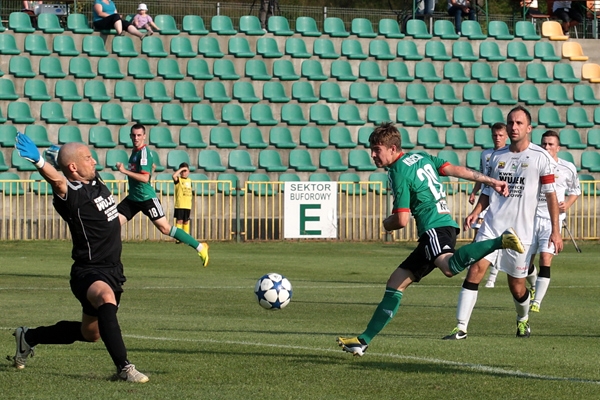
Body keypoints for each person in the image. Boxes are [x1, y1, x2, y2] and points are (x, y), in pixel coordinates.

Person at [336, 122, 525, 356]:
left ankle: (500, 241)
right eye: (372, 150)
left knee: (448, 266)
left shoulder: (397, 171)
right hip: (441, 226)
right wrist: (492, 181)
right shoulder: (421, 157)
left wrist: (386, 224)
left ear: (393, 149)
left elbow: (401, 220)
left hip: (434, 228)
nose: (373, 155)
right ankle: (362, 341)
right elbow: (456, 169)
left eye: (377, 149)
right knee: (395, 282)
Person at [12, 133, 148, 383]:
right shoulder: (71, 194)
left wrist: (140, 202)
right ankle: (125, 368)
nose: (94, 161)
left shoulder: (95, 181)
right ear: (74, 167)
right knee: (106, 299)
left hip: (113, 270)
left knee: (90, 333)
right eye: (88, 158)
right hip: (89, 271)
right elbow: (58, 181)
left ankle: (29, 336)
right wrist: (41, 162)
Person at [444, 106, 563, 341]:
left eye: (519, 123)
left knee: (517, 287)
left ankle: (522, 320)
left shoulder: (541, 158)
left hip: (521, 232)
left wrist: (555, 232)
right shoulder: (496, 157)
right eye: (511, 123)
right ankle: (460, 327)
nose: (514, 127)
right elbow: (488, 191)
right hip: (492, 225)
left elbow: (550, 196)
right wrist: (476, 211)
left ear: (529, 128)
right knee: (475, 269)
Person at [116, 124, 209, 266]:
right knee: (111, 224)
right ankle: (104, 259)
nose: (136, 138)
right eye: (133, 135)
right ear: (130, 136)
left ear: (144, 136)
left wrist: (124, 171)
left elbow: (145, 178)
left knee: (165, 228)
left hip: (147, 198)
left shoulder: (144, 152)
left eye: (139, 135)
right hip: (133, 198)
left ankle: (200, 247)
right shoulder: (135, 152)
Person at [529, 130, 581, 312]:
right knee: (524, 264)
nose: (547, 147)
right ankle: (535, 286)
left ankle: (536, 303)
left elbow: (576, 190)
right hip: (530, 219)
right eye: (544, 144)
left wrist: (567, 204)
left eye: (551, 144)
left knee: (545, 257)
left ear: (558, 148)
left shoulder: (568, 168)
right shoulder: (532, 165)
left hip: (552, 221)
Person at [467, 123, 509, 289]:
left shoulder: (509, 154)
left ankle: (492, 276)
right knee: (479, 236)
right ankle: (476, 266)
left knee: (497, 238)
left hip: (501, 202)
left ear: (506, 136)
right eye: (495, 135)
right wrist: (474, 192)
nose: (497, 138)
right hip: (485, 199)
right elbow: (482, 176)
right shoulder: (486, 154)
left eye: (500, 135)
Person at [173, 162, 193, 244]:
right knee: (179, 221)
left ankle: (186, 238)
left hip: (187, 205)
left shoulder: (190, 180)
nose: (184, 173)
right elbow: (174, 176)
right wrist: (181, 169)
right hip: (180, 204)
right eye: (183, 171)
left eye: (186, 171)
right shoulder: (179, 180)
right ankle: (179, 238)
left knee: (186, 221)